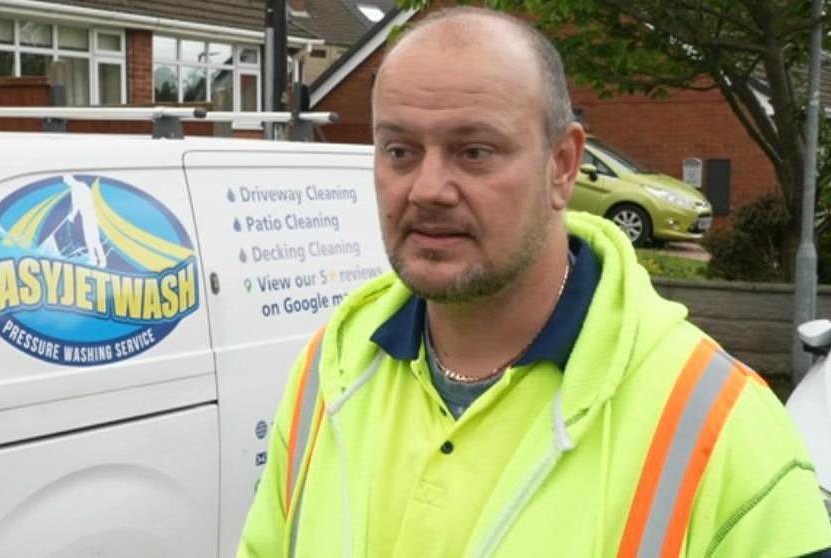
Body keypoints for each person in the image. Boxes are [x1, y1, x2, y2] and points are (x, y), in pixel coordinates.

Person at [239, 7, 831, 557]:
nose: (426, 188)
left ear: (564, 165)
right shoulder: (331, 368)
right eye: (399, 150)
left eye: (474, 151)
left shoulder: (723, 426)